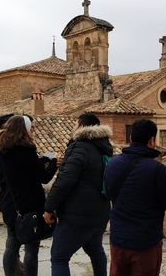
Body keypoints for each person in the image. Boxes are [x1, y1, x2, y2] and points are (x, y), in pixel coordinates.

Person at [104, 119, 166, 276]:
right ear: (152, 141)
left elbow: (108, 194)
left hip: (118, 239)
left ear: (131, 139)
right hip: (145, 242)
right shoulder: (157, 169)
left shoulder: (112, 163)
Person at [43, 112, 113, 276]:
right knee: (96, 251)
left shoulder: (79, 148)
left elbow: (64, 182)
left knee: (59, 257)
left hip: (77, 216)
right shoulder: (103, 148)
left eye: (74, 125)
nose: (72, 128)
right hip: (100, 214)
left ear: (81, 127)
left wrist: (49, 208)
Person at [0, 115, 58, 276]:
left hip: (11, 203)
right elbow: (44, 177)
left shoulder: (2, 149)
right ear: (25, 129)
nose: (33, 130)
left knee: (11, 246)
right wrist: (53, 163)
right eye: (32, 127)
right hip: (30, 204)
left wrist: (41, 159)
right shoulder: (27, 150)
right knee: (31, 247)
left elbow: (20, 166)